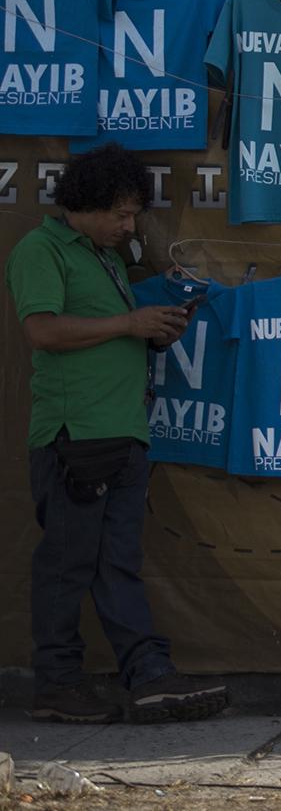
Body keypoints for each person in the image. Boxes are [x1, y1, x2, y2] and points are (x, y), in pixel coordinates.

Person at [5, 143, 231, 723]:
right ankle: (57, 684)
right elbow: (44, 332)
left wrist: (155, 331)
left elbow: (108, 334)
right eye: (121, 213)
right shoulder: (42, 249)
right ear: (86, 202)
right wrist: (129, 322)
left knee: (117, 563)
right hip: (73, 435)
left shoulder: (106, 259)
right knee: (67, 564)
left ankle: (148, 675)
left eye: (133, 214)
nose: (130, 226)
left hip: (125, 433)